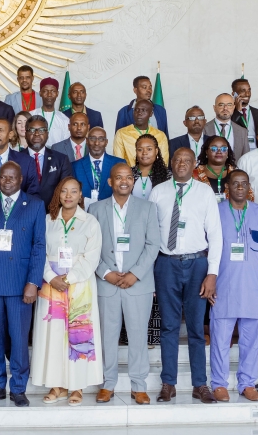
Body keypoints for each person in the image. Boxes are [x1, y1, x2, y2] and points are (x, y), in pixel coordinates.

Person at [150, 147, 222, 403]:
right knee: (168, 326)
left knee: (194, 328)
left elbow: (215, 235)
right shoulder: (158, 191)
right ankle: (168, 383)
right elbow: (150, 234)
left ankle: (199, 384)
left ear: (194, 164)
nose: (182, 164)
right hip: (166, 264)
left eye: (187, 160)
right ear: (172, 163)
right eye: (178, 160)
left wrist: (212, 273)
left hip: (197, 265)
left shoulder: (204, 192)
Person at [0, 161, 46, 407]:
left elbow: (39, 247)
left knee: (18, 338)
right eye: (3, 177)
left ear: (21, 179)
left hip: (20, 285)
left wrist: (33, 282)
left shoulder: (35, 206)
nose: (7, 181)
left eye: (12, 178)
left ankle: (18, 387)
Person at [88, 163, 161, 404]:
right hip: (107, 283)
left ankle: (138, 385)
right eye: (118, 177)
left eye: (129, 177)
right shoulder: (95, 209)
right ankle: (107, 384)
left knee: (138, 336)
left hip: (137, 284)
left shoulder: (148, 208)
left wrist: (135, 274)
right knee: (107, 336)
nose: (124, 181)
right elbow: (89, 247)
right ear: (110, 182)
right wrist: (105, 273)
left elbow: (153, 245)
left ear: (134, 181)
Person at [30, 178, 102, 405]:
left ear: (81, 195)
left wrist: (69, 279)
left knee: (79, 334)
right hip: (51, 286)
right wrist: (52, 278)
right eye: (64, 191)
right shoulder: (47, 220)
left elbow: (92, 257)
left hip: (79, 286)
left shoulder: (90, 222)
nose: (68, 196)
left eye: (73, 192)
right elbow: (37, 251)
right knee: (52, 335)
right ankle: (57, 385)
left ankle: (77, 387)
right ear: (58, 195)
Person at [208, 170, 258, 402]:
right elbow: (207, 250)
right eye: (235, 183)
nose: (239, 187)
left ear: (249, 187)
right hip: (223, 286)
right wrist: (209, 280)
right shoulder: (215, 212)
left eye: (244, 183)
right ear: (227, 186)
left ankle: (247, 383)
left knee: (251, 339)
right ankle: (219, 383)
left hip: (253, 287)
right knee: (220, 339)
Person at [71, 127, 124, 206]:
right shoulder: (75, 166)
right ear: (87, 141)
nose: (96, 143)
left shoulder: (119, 163)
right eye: (92, 139)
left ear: (106, 142)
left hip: (111, 211)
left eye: (101, 139)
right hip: (85, 213)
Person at [24, 114, 70, 203]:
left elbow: (65, 189)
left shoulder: (61, 159)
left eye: (41, 130)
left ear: (47, 134)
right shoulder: (16, 160)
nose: (37, 134)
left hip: (52, 213)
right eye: (32, 130)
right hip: (24, 212)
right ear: (26, 134)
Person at [113, 99, 169, 167]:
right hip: (129, 176)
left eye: (143, 110)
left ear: (151, 114)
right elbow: (118, 162)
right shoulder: (122, 134)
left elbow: (164, 163)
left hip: (155, 176)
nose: (139, 113)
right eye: (136, 110)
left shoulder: (160, 135)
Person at [205, 93, 252, 160]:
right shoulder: (204, 129)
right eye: (221, 105)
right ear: (214, 108)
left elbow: (246, 158)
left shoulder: (242, 131)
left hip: (235, 169)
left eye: (229, 105)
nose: (225, 108)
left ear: (233, 107)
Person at [129, 134, 169, 202]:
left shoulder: (167, 175)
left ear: (156, 151)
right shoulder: (128, 173)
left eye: (149, 149)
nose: (144, 153)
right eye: (140, 150)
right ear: (136, 151)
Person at [34, 77, 70, 146]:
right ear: (40, 93)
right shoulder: (31, 115)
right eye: (45, 91)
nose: (49, 94)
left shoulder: (64, 119)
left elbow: (66, 144)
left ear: (57, 94)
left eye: (53, 91)